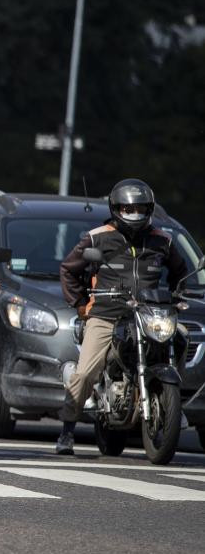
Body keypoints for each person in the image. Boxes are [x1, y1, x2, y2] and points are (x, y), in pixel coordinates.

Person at [54, 178, 189, 455]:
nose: (134, 214)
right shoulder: (97, 237)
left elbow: (180, 271)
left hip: (147, 314)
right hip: (106, 314)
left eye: (140, 208)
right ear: (116, 209)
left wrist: (178, 297)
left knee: (182, 338)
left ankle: (173, 403)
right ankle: (67, 430)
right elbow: (68, 269)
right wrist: (80, 303)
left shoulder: (162, 240)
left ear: (149, 209)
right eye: (128, 209)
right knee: (86, 371)